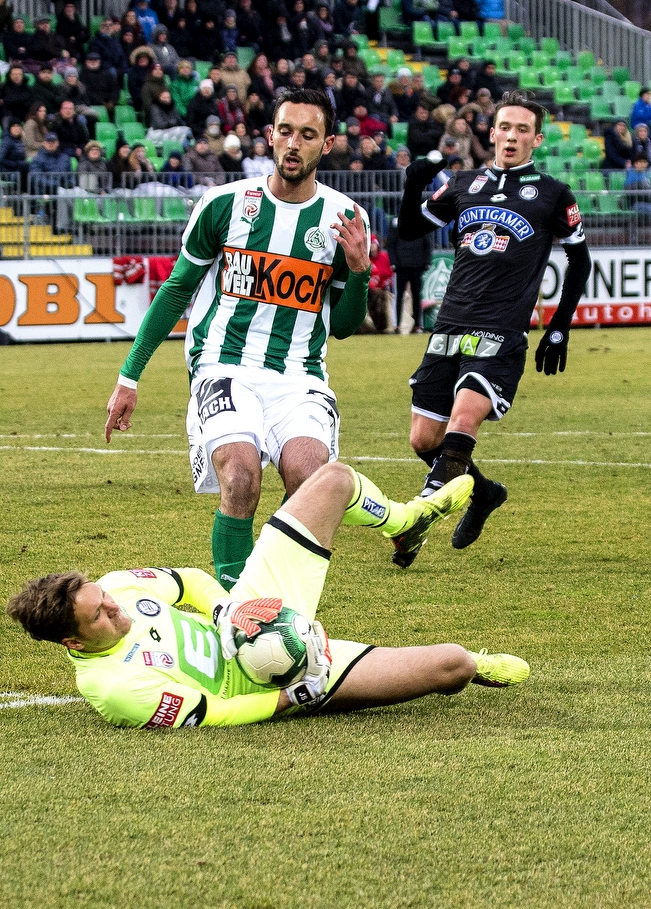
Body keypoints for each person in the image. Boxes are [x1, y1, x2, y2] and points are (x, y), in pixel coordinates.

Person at [6, 462, 531, 730]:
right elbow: (215, 713)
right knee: (454, 666)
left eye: (104, 596)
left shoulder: (117, 586)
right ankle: (477, 662)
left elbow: (189, 580)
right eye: (99, 614)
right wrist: (292, 697)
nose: (114, 605)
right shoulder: (116, 688)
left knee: (332, 479)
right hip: (277, 674)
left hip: (255, 610)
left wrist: (227, 609)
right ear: (70, 639)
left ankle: (406, 521)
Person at [104, 89, 372, 592]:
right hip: (223, 365)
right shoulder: (224, 204)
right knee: (242, 475)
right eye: (285, 131)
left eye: (307, 135)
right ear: (270, 135)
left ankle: (287, 611)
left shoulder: (346, 220)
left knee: (309, 480)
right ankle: (238, 611)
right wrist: (129, 376)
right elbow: (177, 288)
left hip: (299, 375)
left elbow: (344, 325)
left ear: (328, 144)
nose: (293, 144)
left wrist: (358, 272)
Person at [394, 91, 592, 558]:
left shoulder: (552, 193)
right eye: (505, 127)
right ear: (492, 132)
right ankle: (483, 494)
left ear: (536, 140)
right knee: (425, 439)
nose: (512, 136)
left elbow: (579, 261)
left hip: (502, 330)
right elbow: (408, 230)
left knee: (464, 418)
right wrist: (411, 185)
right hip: (449, 324)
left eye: (523, 130)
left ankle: (419, 517)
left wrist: (559, 326)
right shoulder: (465, 183)